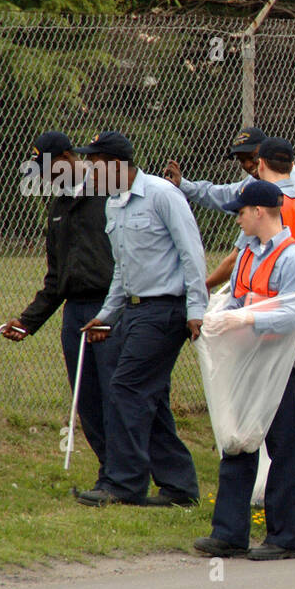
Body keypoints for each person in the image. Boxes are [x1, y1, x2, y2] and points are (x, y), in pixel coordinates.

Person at [77, 131, 208, 507]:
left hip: (166, 309)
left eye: (95, 162)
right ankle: (179, 487)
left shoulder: (163, 195)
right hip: (133, 311)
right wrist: (106, 315)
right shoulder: (114, 204)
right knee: (149, 396)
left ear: (116, 165)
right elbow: (122, 270)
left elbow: (192, 253)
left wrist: (195, 310)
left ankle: (124, 483)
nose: (89, 169)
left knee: (126, 389)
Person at [193, 180, 295, 559]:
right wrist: (222, 317)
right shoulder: (247, 251)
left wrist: (245, 319)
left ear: (259, 212)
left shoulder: (294, 259)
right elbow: (239, 294)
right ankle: (229, 532)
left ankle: (284, 537)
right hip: (250, 362)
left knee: (282, 448)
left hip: (280, 367)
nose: (238, 220)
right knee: (239, 439)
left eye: (241, 213)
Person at [3, 131, 118, 492]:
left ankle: (128, 474)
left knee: (118, 394)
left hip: (111, 305)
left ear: (70, 157)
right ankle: (109, 472)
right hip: (75, 311)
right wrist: (28, 321)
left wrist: (113, 313)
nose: (48, 176)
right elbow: (55, 278)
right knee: (87, 399)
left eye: (51, 167)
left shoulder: (110, 191)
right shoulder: (58, 207)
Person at [162, 127, 295, 285]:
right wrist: (184, 185)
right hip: (273, 270)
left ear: (265, 156)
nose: (248, 164)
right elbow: (225, 195)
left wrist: (282, 229)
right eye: (242, 160)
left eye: (252, 157)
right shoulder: (257, 180)